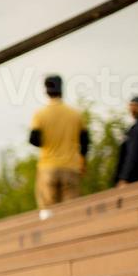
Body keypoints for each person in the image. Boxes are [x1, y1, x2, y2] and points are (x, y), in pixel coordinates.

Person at [29, 74, 89, 209]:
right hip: (71, 168)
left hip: (48, 167)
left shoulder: (40, 114)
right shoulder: (75, 114)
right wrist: (82, 162)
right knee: (71, 212)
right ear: (62, 89)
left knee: (48, 212)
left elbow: (33, 140)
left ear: (46, 90)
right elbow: (85, 142)